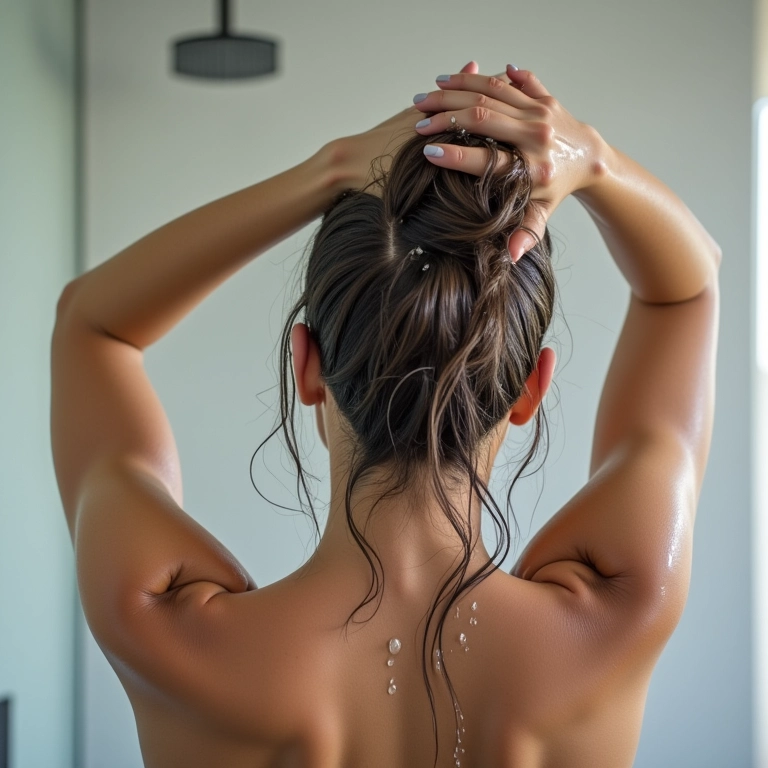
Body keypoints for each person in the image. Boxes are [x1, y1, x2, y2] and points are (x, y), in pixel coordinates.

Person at [51, 61, 721, 768]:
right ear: (531, 389)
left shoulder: (163, 626)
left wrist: (330, 169)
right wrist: (595, 161)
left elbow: (91, 326)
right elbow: (691, 286)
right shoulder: (617, 610)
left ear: (305, 367)